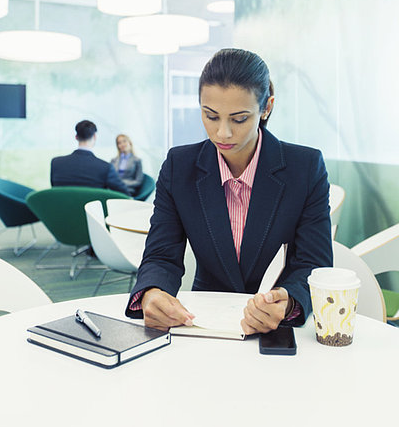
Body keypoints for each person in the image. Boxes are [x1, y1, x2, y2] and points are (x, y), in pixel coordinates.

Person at [125, 49, 332, 335]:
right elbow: (161, 255)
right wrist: (152, 292)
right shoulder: (179, 166)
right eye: (211, 116)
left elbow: (313, 262)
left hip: (277, 327)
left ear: (266, 107)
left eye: (239, 119)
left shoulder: (304, 168)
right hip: (202, 320)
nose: (222, 133)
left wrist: (288, 301)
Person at [51, 120, 130, 196]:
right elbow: (125, 194)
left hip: (62, 209)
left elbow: (56, 193)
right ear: (95, 137)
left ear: (76, 137)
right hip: (91, 210)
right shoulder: (105, 168)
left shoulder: (56, 163)